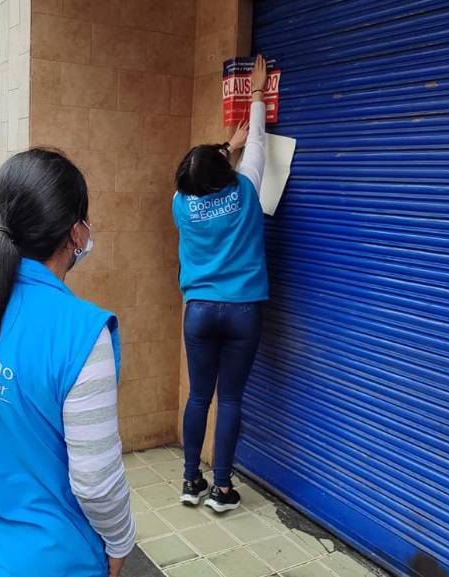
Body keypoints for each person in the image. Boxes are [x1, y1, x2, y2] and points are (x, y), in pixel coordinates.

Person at [0, 148, 135, 577]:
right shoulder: (82, 333)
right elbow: (95, 482)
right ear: (76, 233)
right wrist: (119, 540)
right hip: (54, 561)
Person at [173, 54, 269, 513]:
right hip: (244, 310)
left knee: (198, 396)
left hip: (199, 312)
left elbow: (208, 174)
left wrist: (223, 151)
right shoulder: (247, 188)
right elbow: (258, 147)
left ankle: (191, 481)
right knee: (229, 398)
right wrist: (255, 95)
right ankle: (222, 489)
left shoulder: (180, 204)